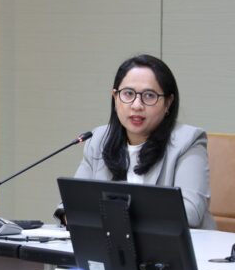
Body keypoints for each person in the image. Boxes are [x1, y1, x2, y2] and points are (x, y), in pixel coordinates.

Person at [63, 54, 215, 229]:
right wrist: (71, 214)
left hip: (173, 245)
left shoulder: (187, 141)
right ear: (115, 97)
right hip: (112, 243)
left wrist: (113, 214)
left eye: (149, 96)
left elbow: (190, 212)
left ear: (168, 103)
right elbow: (71, 204)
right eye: (128, 94)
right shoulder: (98, 139)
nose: (136, 105)